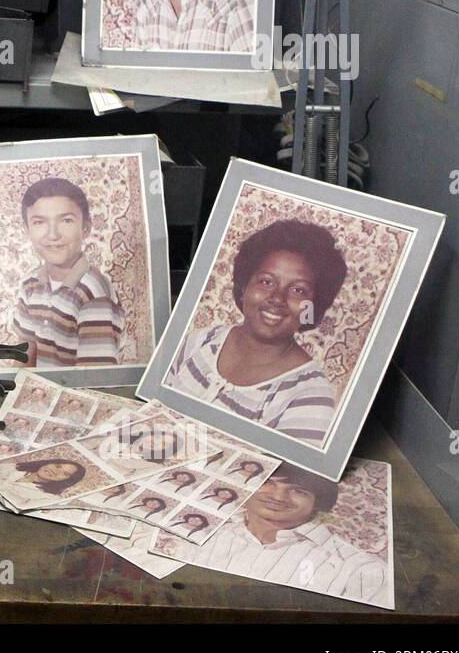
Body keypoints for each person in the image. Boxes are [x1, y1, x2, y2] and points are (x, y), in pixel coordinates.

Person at [165, 219, 350, 445]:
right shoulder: (201, 341)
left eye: (298, 289)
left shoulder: (309, 395)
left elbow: (286, 479)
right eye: (266, 281)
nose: (277, 298)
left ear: (315, 305)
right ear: (244, 287)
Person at [179, 467, 389, 606]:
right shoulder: (205, 532)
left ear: (318, 503)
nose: (278, 497)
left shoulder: (361, 570)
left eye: (298, 490)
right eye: (268, 482)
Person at [11, 177, 126, 368]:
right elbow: (26, 352)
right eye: (39, 222)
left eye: (66, 220)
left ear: (86, 228)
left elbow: (94, 379)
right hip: (39, 392)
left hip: (77, 392)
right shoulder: (31, 284)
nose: (53, 234)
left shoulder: (94, 293)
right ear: (27, 230)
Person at [13, 457, 86, 497]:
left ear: (66, 480)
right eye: (58, 466)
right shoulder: (12, 467)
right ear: (49, 462)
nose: (55, 471)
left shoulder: (44, 497)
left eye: (65, 474)